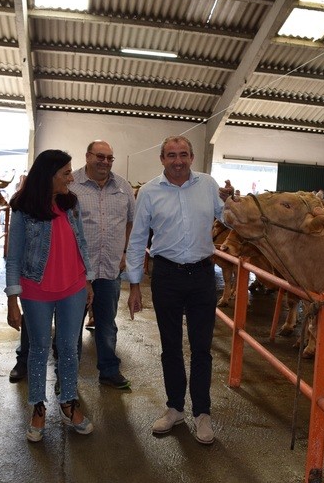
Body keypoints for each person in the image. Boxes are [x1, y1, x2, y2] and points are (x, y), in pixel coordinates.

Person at [125, 135, 232, 445]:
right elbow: (137, 239)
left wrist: (235, 205)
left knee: (201, 348)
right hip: (167, 275)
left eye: (183, 154)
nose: (177, 161)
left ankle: (202, 413)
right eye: (171, 155)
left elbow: (229, 219)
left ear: (192, 157)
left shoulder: (208, 185)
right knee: (170, 347)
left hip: (202, 275)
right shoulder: (148, 192)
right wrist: (134, 284)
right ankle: (175, 408)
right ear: (162, 159)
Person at [5, 149, 95, 443]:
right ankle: (38, 408)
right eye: (66, 173)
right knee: (39, 349)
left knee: (69, 347)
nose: (72, 177)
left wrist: (89, 281)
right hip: (36, 289)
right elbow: (14, 256)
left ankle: (69, 404)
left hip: (74, 287)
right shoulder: (22, 207)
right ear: (49, 176)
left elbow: (80, 241)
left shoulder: (71, 203)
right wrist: (11, 300)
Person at [69, 140, 135, 389]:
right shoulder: (71, 185)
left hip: (109, 269)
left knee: (107, 324)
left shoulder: (123, 187)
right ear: (87, 156)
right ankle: (68, 375)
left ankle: (109, 371)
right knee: (72, 324)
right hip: (77, 270)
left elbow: (131, 222)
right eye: (100, 156)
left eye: (109, 158)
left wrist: (125, 252)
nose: (105, 162)